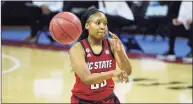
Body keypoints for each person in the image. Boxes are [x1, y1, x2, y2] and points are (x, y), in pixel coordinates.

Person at [69, 7, 132, 103]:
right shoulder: (78, 48)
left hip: (108, 99)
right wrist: (112, 73)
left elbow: (127, 71)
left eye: (105, 24)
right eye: (98, 23)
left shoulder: (112, 44)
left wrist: (120, 52)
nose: (103, 27)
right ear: (87, 25)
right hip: (84, 101)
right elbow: (87, 79)